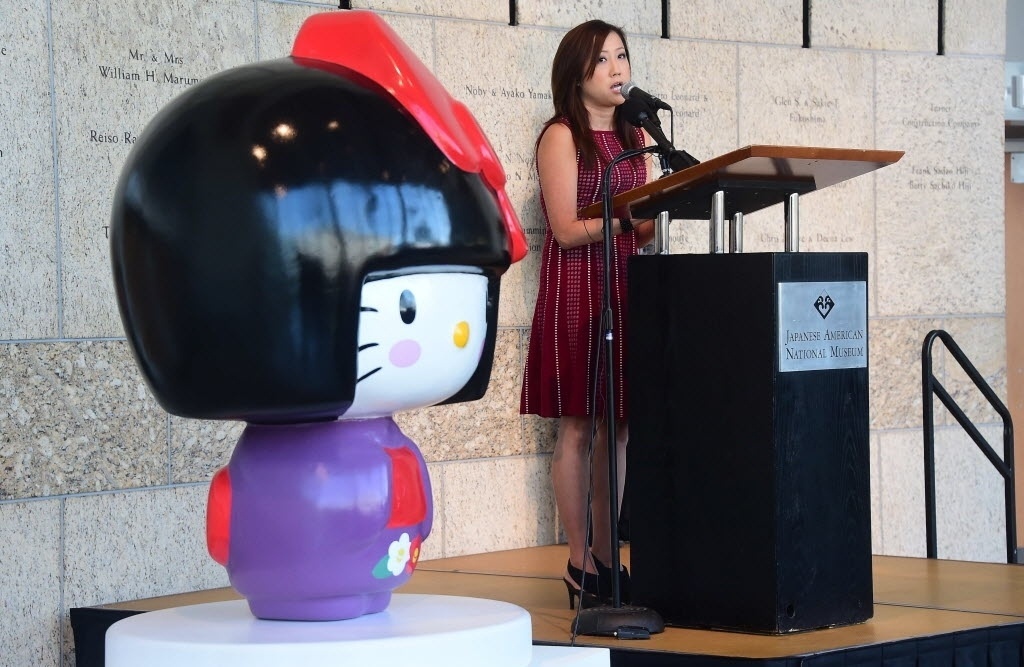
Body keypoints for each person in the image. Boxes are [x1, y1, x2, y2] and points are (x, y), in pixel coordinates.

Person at [519, 19, 655, 610]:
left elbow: (646, 222)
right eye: (604, 60)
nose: (618, 69)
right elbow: (569, 230)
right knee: (579, 424)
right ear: (578, 73)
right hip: (576, 290)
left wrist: (650, 217)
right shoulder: (561, 135)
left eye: (622, 56)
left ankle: (608, 556)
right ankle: (579, 561)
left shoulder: (637, 136)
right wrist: (628, 222)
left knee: (620, 425)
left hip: (627, 287)